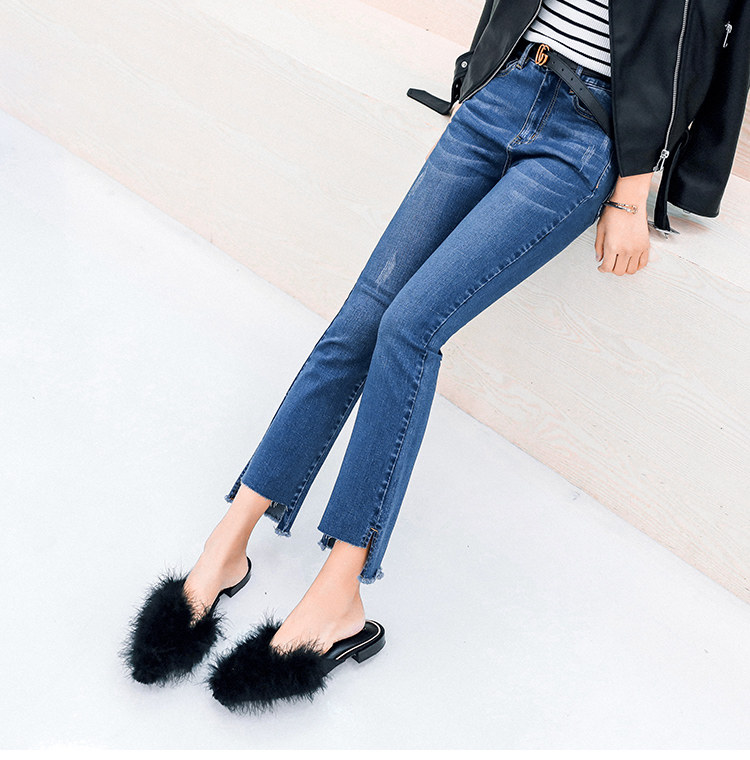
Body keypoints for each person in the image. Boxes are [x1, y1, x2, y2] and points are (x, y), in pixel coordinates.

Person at [122, 0, 749, 714]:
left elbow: (707, 32)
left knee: (409, 329)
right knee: (359, 320)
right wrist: (478, 74)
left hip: (588, 134)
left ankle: (340, 592)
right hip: (505, 87)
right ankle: (229, 540)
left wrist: (637, 187)